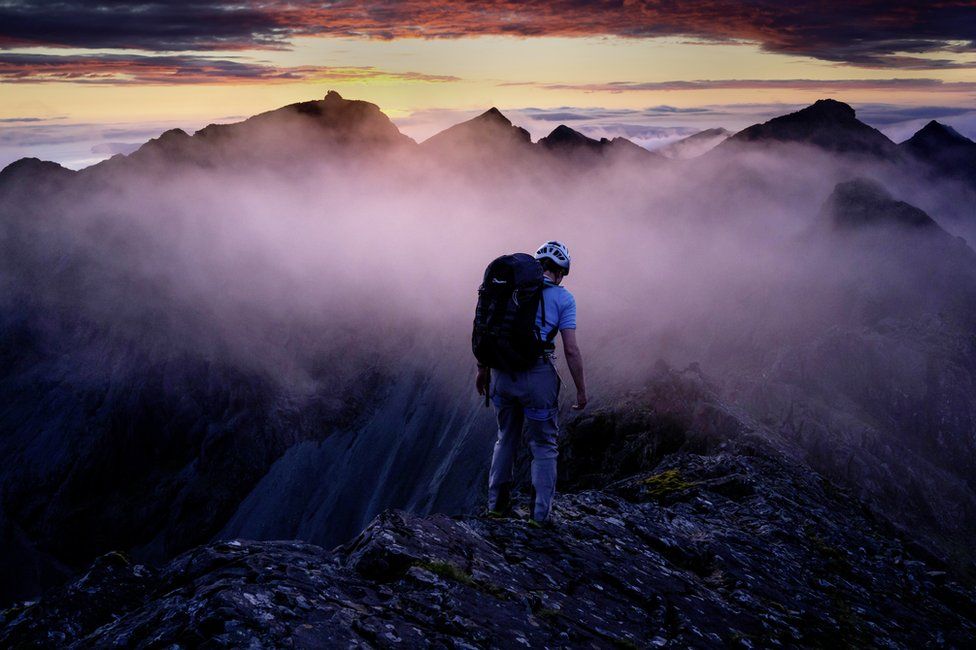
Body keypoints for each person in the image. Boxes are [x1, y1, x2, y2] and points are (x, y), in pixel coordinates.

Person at [476, 240, 587, 524]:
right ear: (560, 272)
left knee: (506, 439)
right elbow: (571, 350)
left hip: (501, 374)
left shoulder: (509, 290)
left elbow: (488, 327)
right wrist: (581, 390)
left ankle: (496, 507)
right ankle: (540, 516)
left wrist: (482, 369)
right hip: (537, 377)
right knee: (544, 445)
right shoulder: (564, 299)